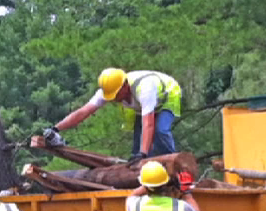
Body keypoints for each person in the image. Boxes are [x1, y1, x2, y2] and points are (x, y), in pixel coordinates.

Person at [44, 68, 181, 161]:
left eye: (116, 95)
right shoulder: (108, 89)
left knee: (160, 130)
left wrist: (143, 153)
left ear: (125, 85)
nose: (114, 99)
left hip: (167, 97)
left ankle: (174, 166)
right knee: (138, 149)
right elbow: (83, 112)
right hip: (142, 104)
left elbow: (149, 124)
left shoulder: (144, 88)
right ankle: (147, 174)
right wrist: (56, 129)